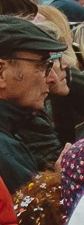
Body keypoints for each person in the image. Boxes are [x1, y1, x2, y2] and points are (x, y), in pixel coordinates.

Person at [0, 15, 65, 189]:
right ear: (1, 73)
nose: (51, 78)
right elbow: (23, 214)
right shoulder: (4, 149)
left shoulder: (14, 130)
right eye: (42, 66)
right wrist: (57, 183)